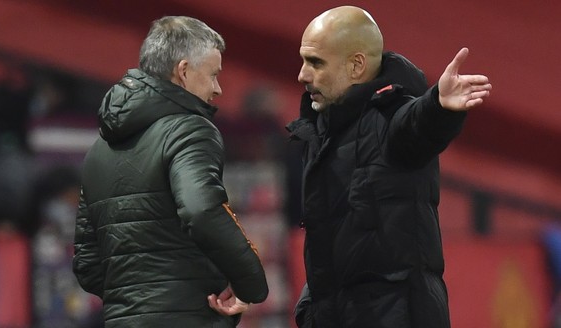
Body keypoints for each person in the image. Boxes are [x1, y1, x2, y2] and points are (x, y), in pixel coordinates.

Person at [286, 6, 492, 328]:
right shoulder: (321, 129)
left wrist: (438, 105)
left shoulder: (390, 116)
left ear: (356, 66)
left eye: (315, 62)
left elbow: (416, 126)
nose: (302, 74)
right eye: (303, 60)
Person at [72, 16, 268, 328]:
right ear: (184, 70)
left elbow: (86, 264)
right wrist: (251, 284)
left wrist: (133, 301)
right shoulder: (190, 129)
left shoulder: (99, 148)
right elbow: (201, 209)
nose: (217, 89)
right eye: (214, 75)